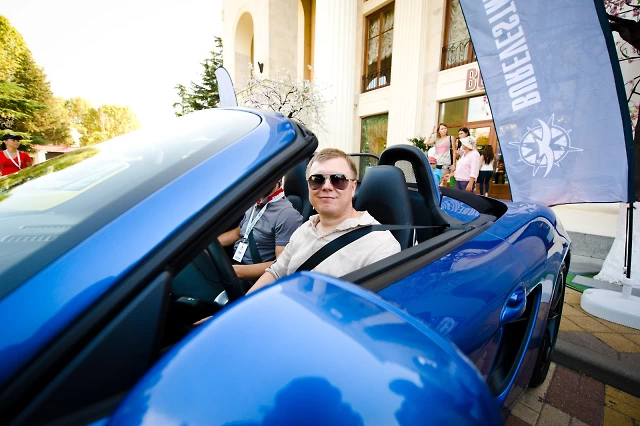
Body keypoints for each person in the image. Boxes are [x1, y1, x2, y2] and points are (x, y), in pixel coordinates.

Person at [247, 148, 401, 295]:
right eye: (317, 179)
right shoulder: (304, 229)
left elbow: (371, 309)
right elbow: (276, 272)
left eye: (338, 179)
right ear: (309, 186)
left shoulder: (381, 246)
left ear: (353, 188)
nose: (327, 186)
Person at [217, 181, 303, 288]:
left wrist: (235, 271)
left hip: (250, 280)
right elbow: (237, 233)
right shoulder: (254, 203)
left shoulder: (288, 215)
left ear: (277, 179)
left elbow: (281, 265)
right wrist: (207, 244)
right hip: (234, 266)